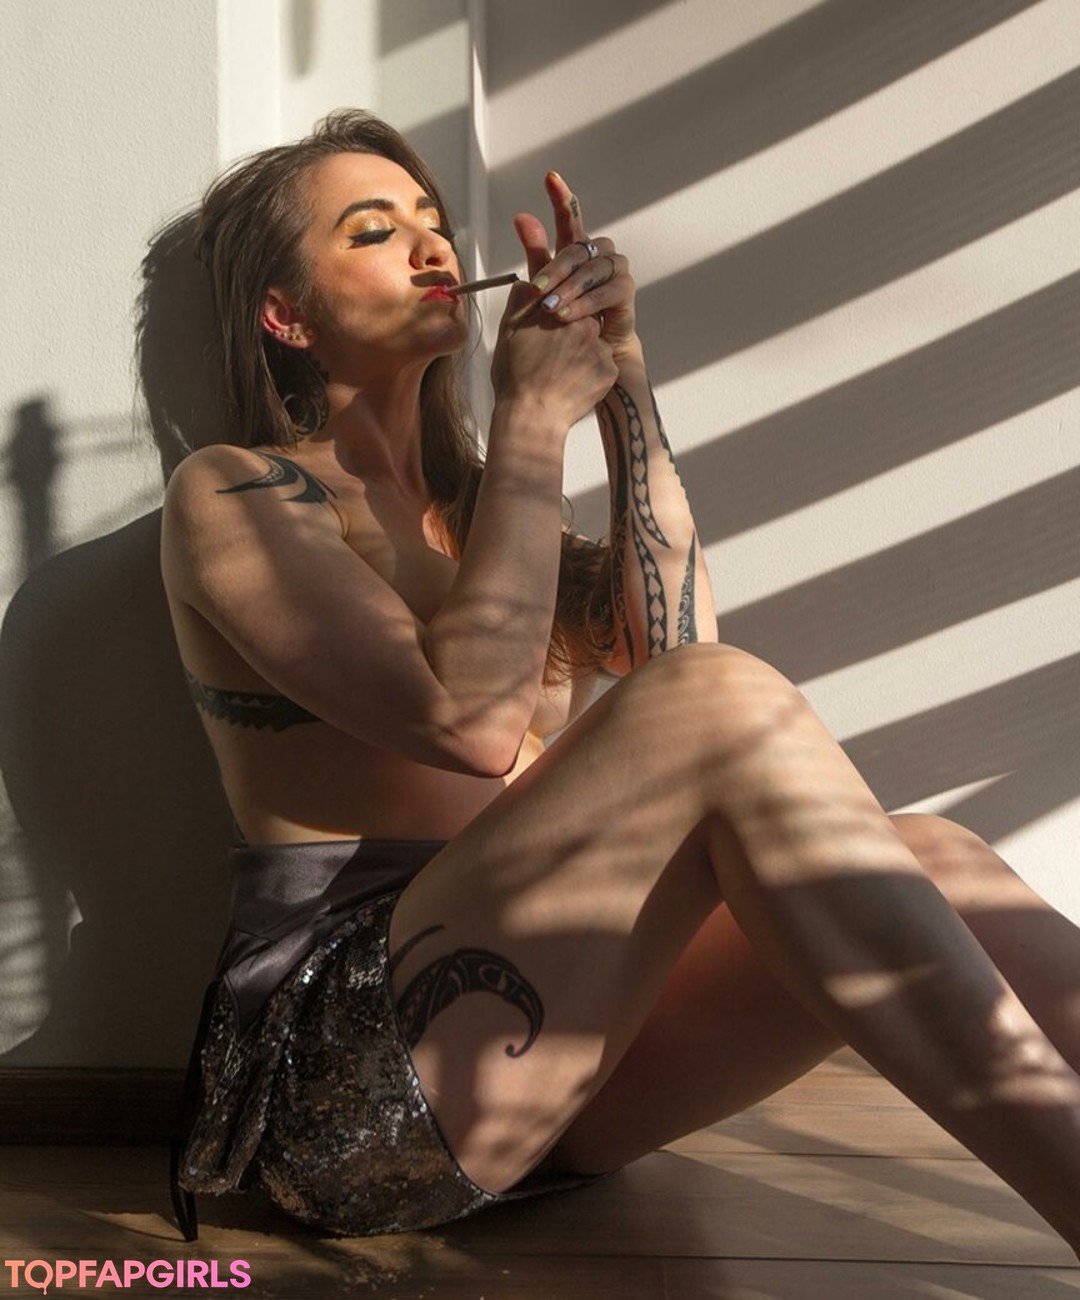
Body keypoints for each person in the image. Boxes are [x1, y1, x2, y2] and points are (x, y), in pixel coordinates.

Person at [160, 110, 1080, 1252]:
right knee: (718, 701)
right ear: (286, 316)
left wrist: (623, 381)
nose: (433, 245)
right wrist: (533, 418)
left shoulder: (483, 511)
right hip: (351, 1080)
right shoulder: (237, 495)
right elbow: (471, 724)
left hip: (550, 1074)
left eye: (433, 221)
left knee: (936, 855)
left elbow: (676, 646)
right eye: (375, 229)